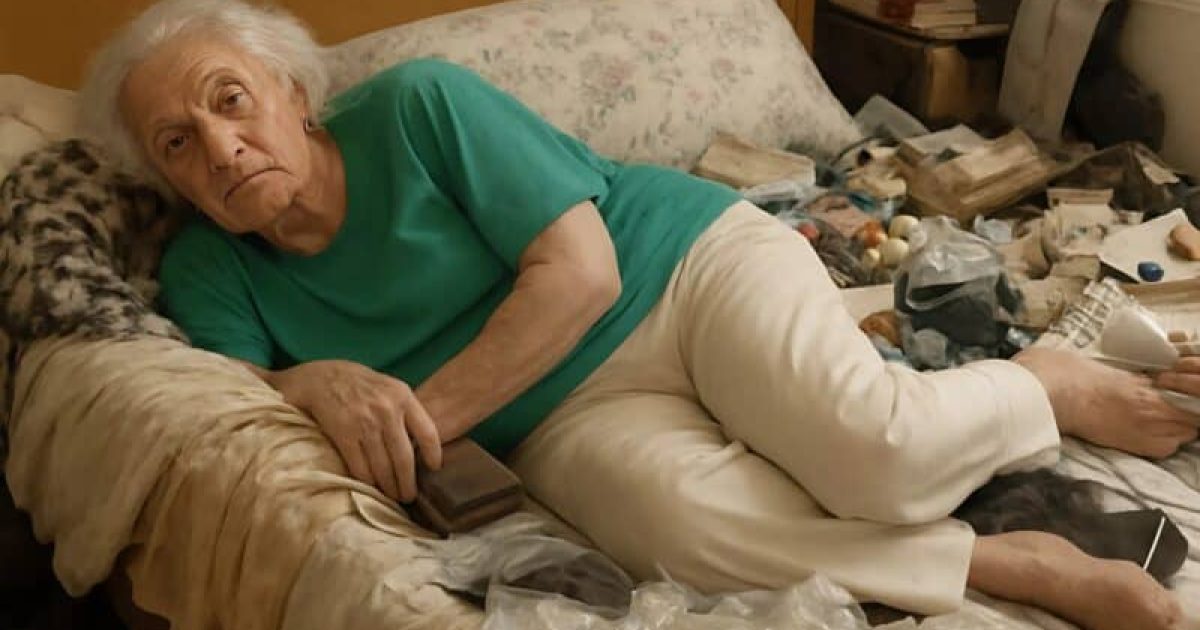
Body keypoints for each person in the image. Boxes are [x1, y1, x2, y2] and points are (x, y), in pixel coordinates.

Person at [81, 1, 1200, 628]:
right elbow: (233, 401)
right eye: (178, 141)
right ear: (162, 175)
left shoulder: (420, 105)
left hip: (677, 268)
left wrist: (418, 420)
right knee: (683, 534)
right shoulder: (207, 270)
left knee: (877, 452)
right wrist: (306, 381)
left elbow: (579, 277)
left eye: (231, 99)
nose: (221, 147)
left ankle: (1038, 383)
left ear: (292, 92)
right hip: (556, 414)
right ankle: (1011, 564)